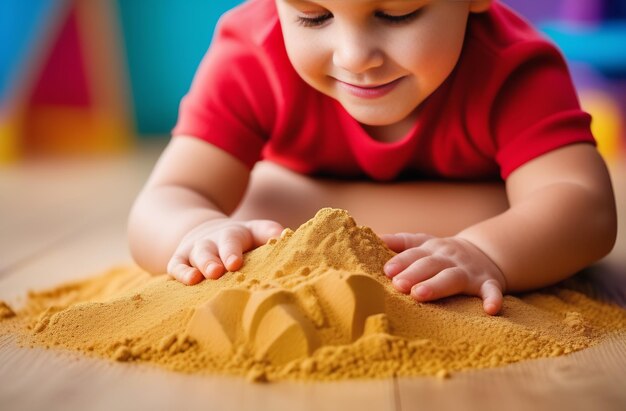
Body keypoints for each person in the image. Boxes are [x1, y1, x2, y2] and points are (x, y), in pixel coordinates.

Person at [128, 0, 617, 315]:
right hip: (462, 212)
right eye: (313, 16)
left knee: (254, 200)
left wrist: (489, 250)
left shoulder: (514, 69)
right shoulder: (250, 53)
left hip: (289, 207)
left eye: (398, 13)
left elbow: (586, 208)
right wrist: (194, 231)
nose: (354, 55)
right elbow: (165, 201)